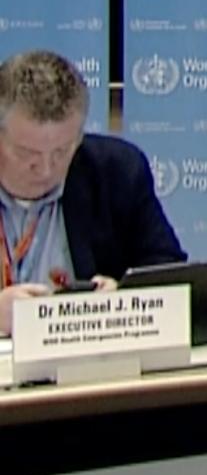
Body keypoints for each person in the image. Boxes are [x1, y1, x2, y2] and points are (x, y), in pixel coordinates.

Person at [0, 50, 185, 335]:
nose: (46, 169)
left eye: (62, 151)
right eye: (28, 153)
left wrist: (127, 299)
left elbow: (170, 275)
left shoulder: (116, 171)